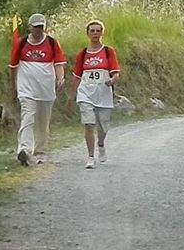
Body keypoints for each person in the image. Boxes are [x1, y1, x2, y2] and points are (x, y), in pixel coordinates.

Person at [9, 13, 66, 166]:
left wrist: (60, 78)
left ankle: (40, 152)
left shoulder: (52, 43)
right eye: (36, 27)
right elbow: (13, 67)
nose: (38, 30)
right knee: (27, 117)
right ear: (29, 27)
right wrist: (13, 86)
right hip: (26, 89)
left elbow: (59, 63)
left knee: (42, 122)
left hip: (46, 90)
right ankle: (25, 150)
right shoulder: (20, 44)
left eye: (41, 27)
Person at [68, 20, 121, 169]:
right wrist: (71, 97)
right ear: (88, 33)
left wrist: (112, 80)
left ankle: (101, 143)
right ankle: (90, 156)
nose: (95, 33)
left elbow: (116, 72)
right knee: (89, 123)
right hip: (85, 92)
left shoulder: (108, 51)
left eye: (98, 31)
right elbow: (77, 76)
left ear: (102, 33)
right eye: (92, 31)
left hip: (103, 93)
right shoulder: (83, 53)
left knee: (103, 127)